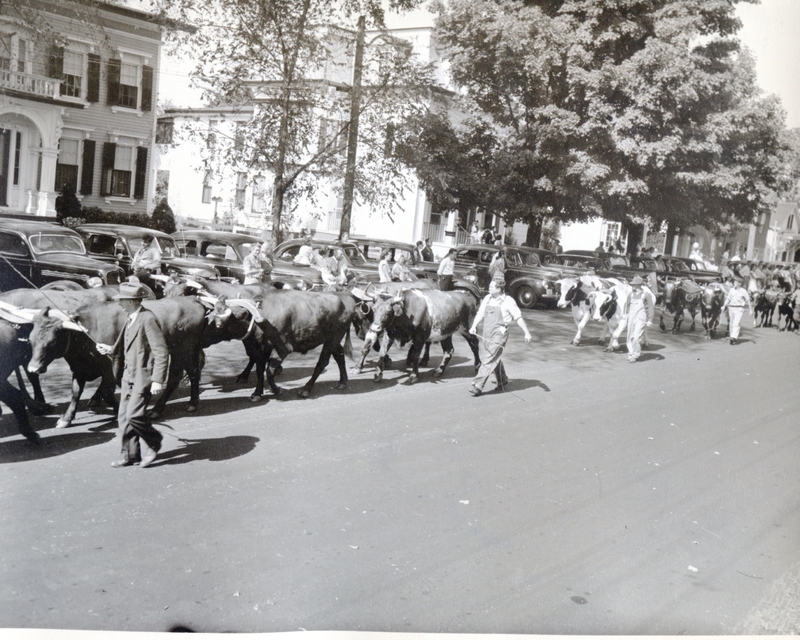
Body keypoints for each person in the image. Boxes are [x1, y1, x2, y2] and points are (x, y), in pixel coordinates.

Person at [97, 282, 169, 469]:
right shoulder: (131, 317)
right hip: (128, 376)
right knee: (123, 418)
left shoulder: (147, 319)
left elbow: (161, 351)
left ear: (131, 301)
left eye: (122, 300)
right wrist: (109, 350)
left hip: (142, 377)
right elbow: (128, 347)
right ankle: (130, 455)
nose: (119, 304)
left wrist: (157, 380)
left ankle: (154, 441)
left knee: (135, 415)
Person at [468, 278, 532, 396]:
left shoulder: (508, 301)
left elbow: (518, 318)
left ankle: (478, 385)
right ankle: (502, 379)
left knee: (489, 357)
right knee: (494, 356)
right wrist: (474, 326)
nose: (489, 288)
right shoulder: (487, 299)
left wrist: (527, 333)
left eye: (492, 287)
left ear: (499, 289)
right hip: (487, 332)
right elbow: (480, 313)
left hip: (500, 334)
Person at [623, 276, 655, 363]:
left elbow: (650, 307)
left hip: (641, 317)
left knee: (636, 336)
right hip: (631, 316)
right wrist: (625, 314)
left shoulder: (646, 295)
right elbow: (627, 305)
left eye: (634, 285)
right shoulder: (630, 294)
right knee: (629, 337)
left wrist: (650, 319)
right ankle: (631, 353)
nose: (633, 287)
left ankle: (635, 354)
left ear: (639, 285)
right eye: (632, 285)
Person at [721, 276, 753, 345]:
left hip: (739, 309)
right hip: (731, 308)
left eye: (735, 282)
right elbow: (728, 299)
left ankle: (733, 337)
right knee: (732, 323)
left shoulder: (743, 291)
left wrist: (751, 309)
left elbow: (748, 300)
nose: (734, 283)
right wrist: (724, 306)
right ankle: (732, 337)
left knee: (736, 323)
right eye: (734, 282)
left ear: (739, 284)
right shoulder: (731, 290)